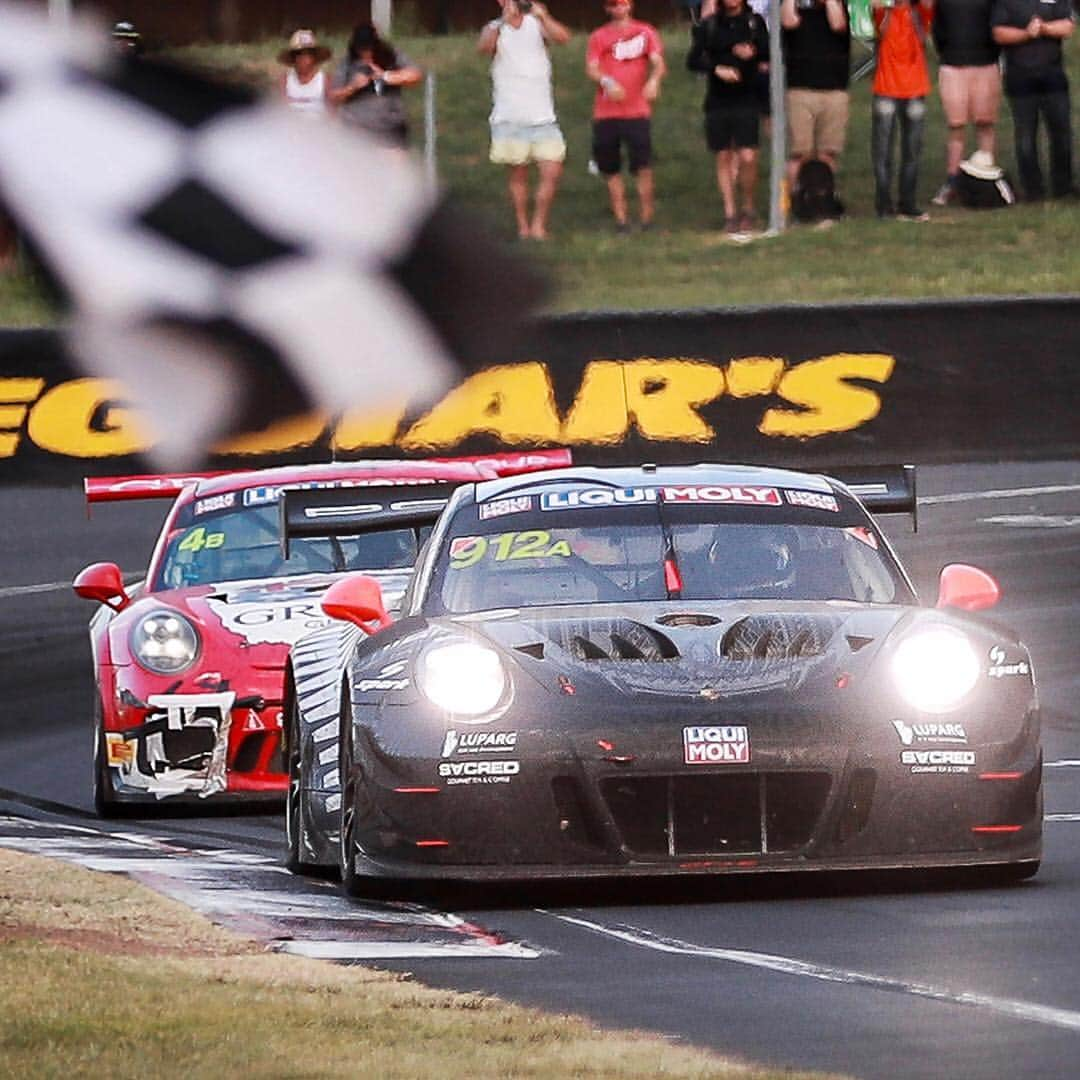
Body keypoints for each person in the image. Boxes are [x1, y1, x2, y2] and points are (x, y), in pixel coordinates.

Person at [478, 1, 572, 241]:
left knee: (551, 169)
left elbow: (563, 38)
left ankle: (539, 223)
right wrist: (501, 21)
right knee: (518, 175)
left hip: (542, 115)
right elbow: (484, 48)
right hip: (510, 115)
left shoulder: (536, 24)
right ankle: (523, 226)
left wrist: (544, 16)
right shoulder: (494, 27)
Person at [688, 0, 770, 234]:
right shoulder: (710, 25)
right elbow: (693, 59)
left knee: (747, 155)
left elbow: (767, 52)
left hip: (746, 98)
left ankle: (749, 207)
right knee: (723, 155)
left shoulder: (754, 23)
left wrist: (752, 52)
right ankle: (730, 212)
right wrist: (716, 68)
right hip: (718, 100)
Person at [586, 0, 666, 233]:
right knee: (611, 168)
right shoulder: (599, 36)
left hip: (637, 110)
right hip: (607, 112)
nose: (618, 8)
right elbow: (592, 68)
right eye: (613, 5)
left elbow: (658, 62)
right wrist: (607, 82)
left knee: (643, 166)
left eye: (622, 3)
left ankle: (647, 218)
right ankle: (621, 220)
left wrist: (654, 80)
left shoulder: (645, 31)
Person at [991, 0, 1075, 201]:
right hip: (1020, 78)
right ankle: (1033, 189)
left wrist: (1044, 28)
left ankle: (1063, 186)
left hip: (1053, 76)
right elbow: (999, 33)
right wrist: (1026, 33)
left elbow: (1068, 26)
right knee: (1025, 136)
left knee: (1062, 133)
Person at [930, 0, 1001, 205]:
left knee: (985, 123)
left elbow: (995, 25)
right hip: (953, 64)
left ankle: (986, 176)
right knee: (956, 125)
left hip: (986, 63)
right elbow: (938, 30)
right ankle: (952, 181)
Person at [871, 0, 934, 220]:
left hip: (914, 87)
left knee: (912, 151)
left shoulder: (919, 12)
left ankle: (907, 201)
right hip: (887, 86)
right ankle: (884, 203)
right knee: (883, 152)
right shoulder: (883, 12)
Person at [780, 0, 851, 188]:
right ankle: (794, 202)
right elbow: (788, 21)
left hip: (834, 91)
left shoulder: (840, 6)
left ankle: (823, 200)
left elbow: (838, 24)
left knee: (828, 153)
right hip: (800, 90)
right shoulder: (793, 6)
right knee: (800, 153)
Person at [330, 22, 423, 147]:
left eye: (368, 48)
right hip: (356, 130)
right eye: (361, 48)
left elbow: (415, 75)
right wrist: (352, 87)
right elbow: (334, 97)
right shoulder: (347, 63)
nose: (365, 52)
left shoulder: (392, 56)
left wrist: (386, 76)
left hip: (390, 127)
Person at [277, 29, 331, 118]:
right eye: (299, 54)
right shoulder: (285, 79)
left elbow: (331, 109)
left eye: (307, 54)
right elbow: (282, 108)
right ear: (293, 58)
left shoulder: (324, 79)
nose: (303, 58)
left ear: (314, 57)